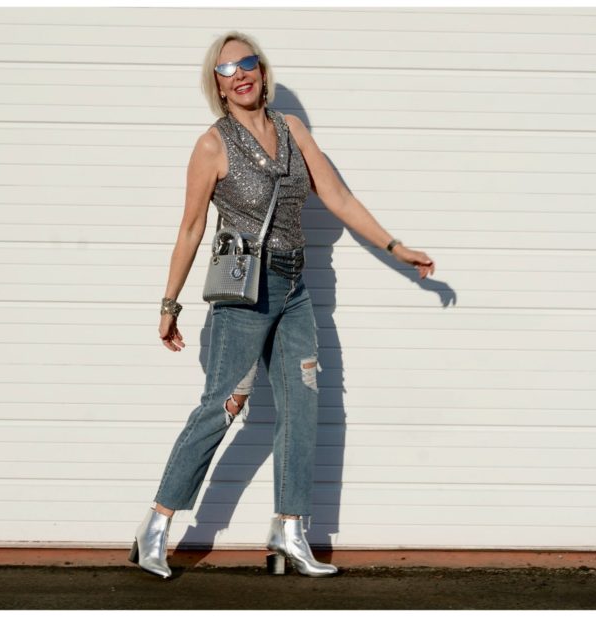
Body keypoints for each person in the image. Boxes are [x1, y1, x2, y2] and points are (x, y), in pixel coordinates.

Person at [128, 31, 435, 579]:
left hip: (295, 288)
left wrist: (396, 247)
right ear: (218, 86)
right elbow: (192, 227)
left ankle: (288, 532)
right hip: (245, 292)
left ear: (263, 72)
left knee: (303, 404)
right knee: (222, 408)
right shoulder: (211, 145)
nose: (240, 74)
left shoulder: (292, 131)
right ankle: (154, 526)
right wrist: (169, 302)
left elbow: (336, 196)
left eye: (248, 63)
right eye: (227, 70)